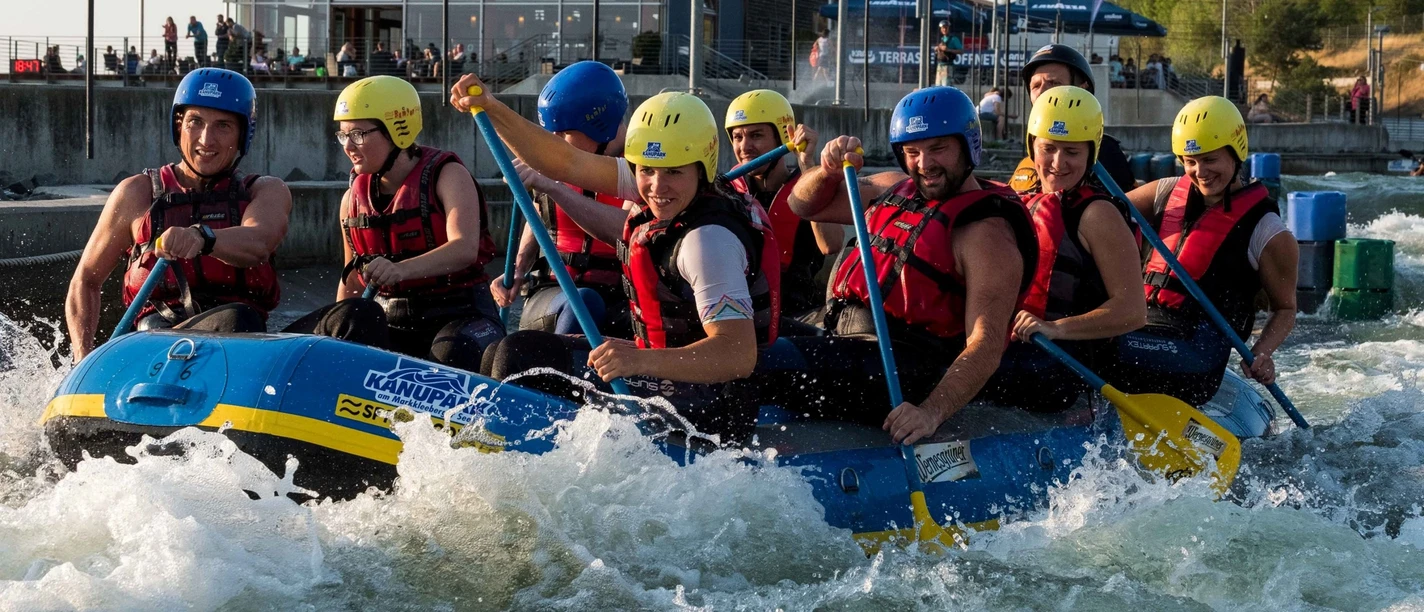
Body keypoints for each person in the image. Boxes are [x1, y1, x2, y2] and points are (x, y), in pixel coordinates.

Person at [450, 75, 782, 446]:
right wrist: (491, 107)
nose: (657, 187)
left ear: (700, 165)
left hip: (713, 401)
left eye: (673, 172)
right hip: (669, 371)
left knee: (519, 355)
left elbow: (737, 355)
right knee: (498, 352)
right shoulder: (671, 182)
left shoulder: (707, 242)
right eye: (647, 171)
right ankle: (489, 447)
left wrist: (638, 361)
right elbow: (566, 162)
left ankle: (516, 453)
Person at [758, 86, 1039, 445]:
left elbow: (985, 345)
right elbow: (803, 205)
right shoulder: (893, 188)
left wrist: (931, 412)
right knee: (739, 333)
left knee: (754, 361)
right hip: (840, 333)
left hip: (900, 368)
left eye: (938, 148)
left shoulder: (987, 235)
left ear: (968, 146)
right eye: (912, 152)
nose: (924, 164)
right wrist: (826, 172)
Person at [65, 69, 291, 362]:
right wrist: (82, 358)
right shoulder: (137, 193)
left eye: (223, 126)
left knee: (346, 318)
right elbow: (86, 280)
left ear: (242, 135)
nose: (206, 140)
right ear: (179, 126)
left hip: (242, 344)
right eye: (195, 122)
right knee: (237, 321)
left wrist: (201, 237)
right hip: (156, 347)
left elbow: (259, 242)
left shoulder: (265, 191)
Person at [1116, 96, 1298, 405]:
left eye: (1210, 159)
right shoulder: (1166, 192)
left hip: (1197, 354)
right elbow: (1105, 212)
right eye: (1190, 161)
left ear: (1236, 153)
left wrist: (1262, 352)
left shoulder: (1268, 231)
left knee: (1099, 349)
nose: (1200, 171)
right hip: (1142, 326)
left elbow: (1285, 308)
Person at [983, 86, 1146, 412]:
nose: (1058, 163)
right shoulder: (1023, 200)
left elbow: (1133, 311)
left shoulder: (1098, 214)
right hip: (1019, 347)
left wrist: (1054, 328)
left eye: (1072, 152)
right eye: (1048, 149)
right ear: (1032, 146)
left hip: (1063, 363)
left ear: (1090, 154)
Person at [333, 76, 504, 370]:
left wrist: (399, 269)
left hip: (462, 315)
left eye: (358, 134)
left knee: (450, 355)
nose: (348, 146)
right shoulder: (351, 200)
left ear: (396, 130)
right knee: (341, 333)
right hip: (392, 318)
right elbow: (350, 281)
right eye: (343, 135)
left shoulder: (448, 176)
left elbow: (464, 249)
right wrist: (336, 330)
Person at [492, 61, 633, 337]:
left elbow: (625, 231)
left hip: (622, 297)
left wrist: (554, 188)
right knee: (584, 303)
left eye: (565, 133)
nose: (555, 142)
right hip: (555, 295)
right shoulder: (554, 163)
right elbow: (540, 216)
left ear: (599, 126)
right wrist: (519, 267)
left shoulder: (644, 170)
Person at [723, 89, 844, 324]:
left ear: (782, 138)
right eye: (737, 137)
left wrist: (807, 164)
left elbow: (831, 244)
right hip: (740, 313)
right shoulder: (726, 191)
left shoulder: (809, 185)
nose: (744, 146)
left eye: (756, 135)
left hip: (798, 316)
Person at [1010, 44, 1135, 195]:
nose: (1042, 92)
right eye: (1036, 86)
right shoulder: (1025, 167)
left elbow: (1125, 204)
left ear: (1082, 90)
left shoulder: (1105, 153)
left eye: (1054, 83)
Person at [934, 20, 963, 87]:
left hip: (948, 66)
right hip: (940, 65)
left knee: (946, 85)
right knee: (938, 86)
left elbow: (961, 51)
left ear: (949, 28)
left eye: (946, 28)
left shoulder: (954, 39)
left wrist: (948, 50)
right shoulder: (941, 39)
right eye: (943, 28)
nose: (944, 29)